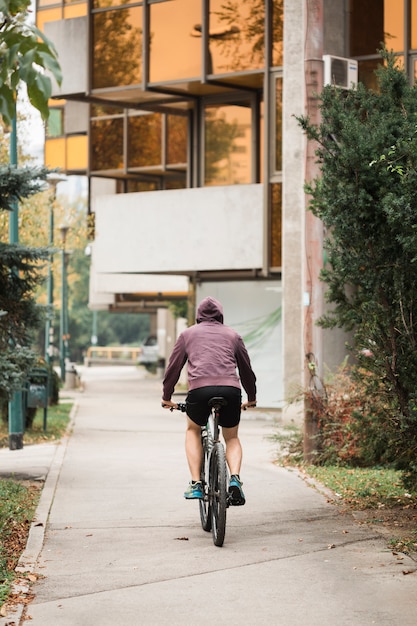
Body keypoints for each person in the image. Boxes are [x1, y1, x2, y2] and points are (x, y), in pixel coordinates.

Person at [161, 296, 257, 506]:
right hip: (231, 390)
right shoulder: (233, 335)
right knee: (231, 438)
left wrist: (167, 397)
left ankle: (196, 484)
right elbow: (246, 370)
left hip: (199, 391)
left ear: (198, 316)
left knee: (193, 430)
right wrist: (251, 397)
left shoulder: (187, 334)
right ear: (221, 315)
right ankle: (235, 479)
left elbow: (173, 369)